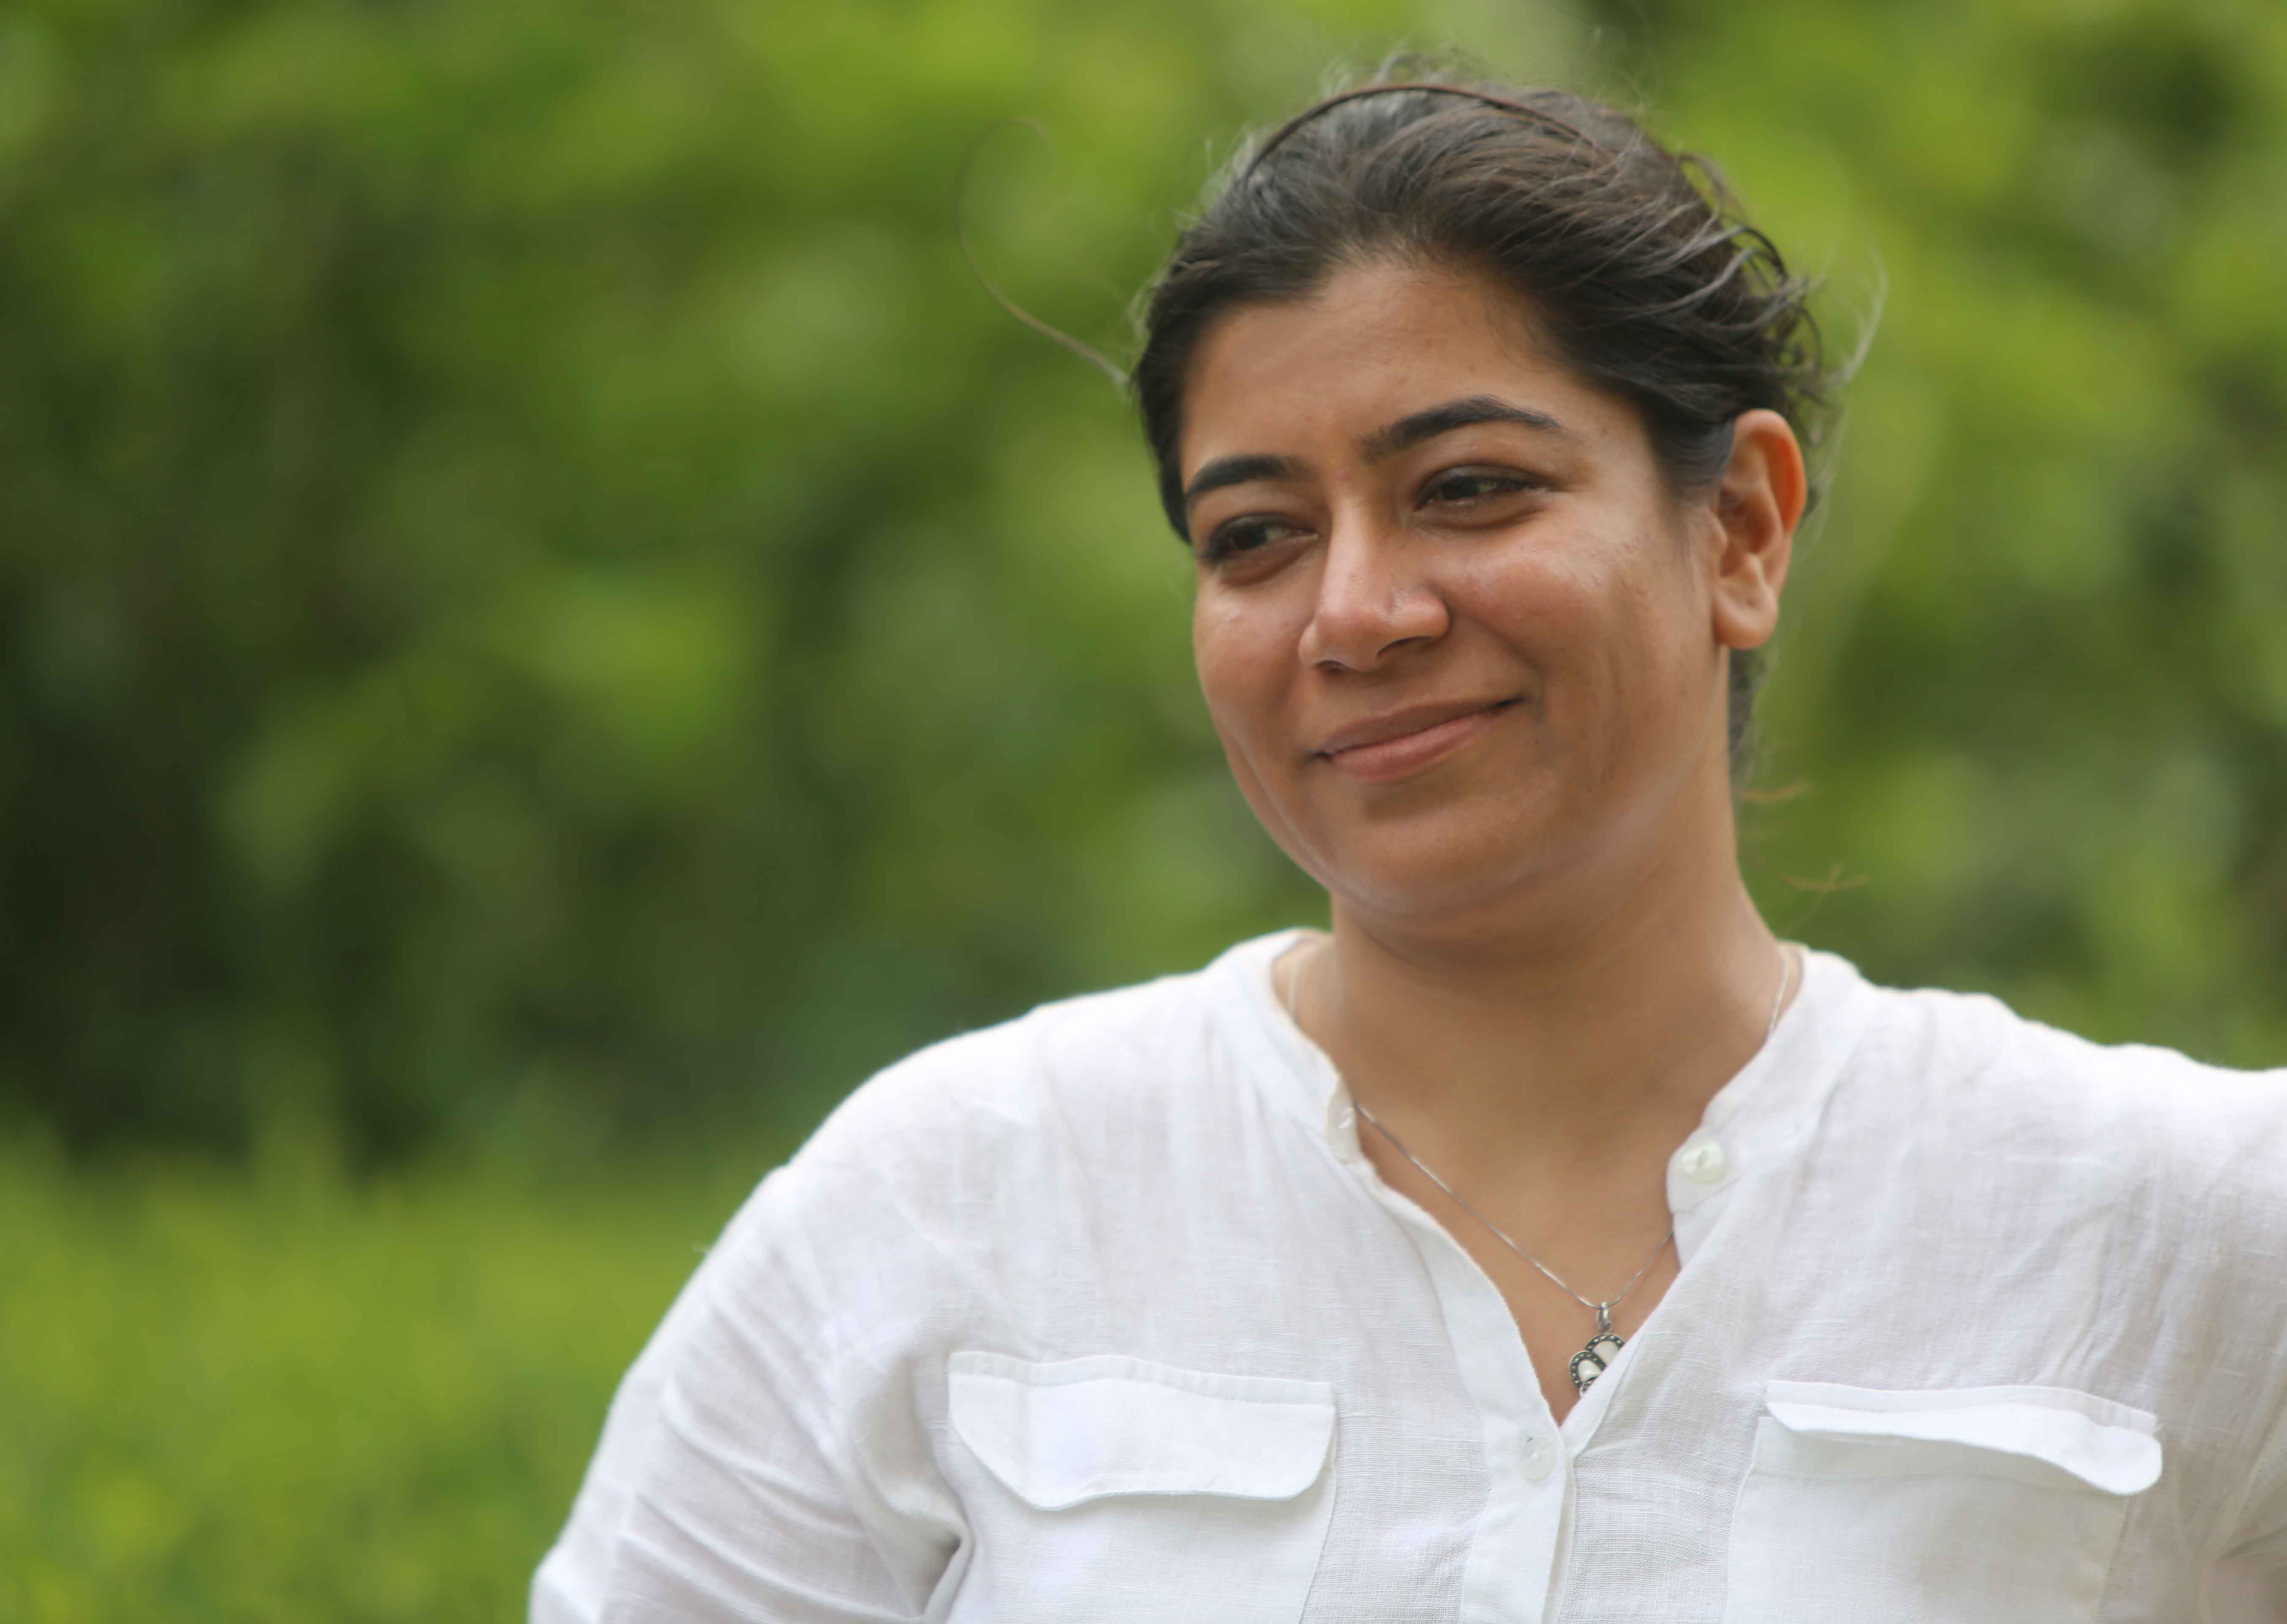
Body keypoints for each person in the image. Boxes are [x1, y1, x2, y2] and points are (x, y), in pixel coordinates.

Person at [531, 65, 2287, 1621]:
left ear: (1742, 529)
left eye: (1468, 489)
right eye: (1256, 534)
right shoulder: (947, 1210)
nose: (1356, 613)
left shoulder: (2175, 1233)